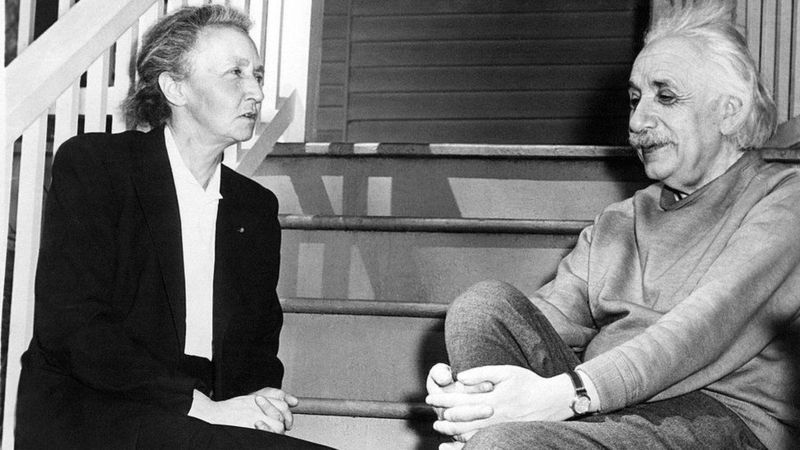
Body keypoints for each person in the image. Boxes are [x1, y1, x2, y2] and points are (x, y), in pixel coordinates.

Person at [426, 1, 799, 449]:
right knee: (481, 309)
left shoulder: (784, 200)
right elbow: (549, 319)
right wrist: (468, 392)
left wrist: (574, 393)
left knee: (502, 445)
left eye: (666, 96)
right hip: (611, 412)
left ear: (729, 112)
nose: (637, 121)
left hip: (721, 416)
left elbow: (704, 327)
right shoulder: (620, 221)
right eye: (635, 99)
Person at [15, 5, 330, 449]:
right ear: (175, 88)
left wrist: (257, 403)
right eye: (235, 74)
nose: (256, 92)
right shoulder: (97, 167)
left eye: (257, 75)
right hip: (95, 408)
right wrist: (198, 407)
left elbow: (258, 342)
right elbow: (73, 327)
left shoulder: (254, 207)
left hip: (200, 414)